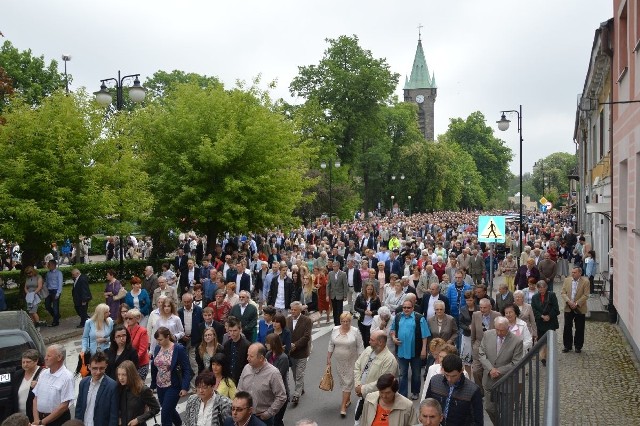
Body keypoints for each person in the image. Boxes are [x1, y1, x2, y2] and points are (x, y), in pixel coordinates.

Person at [478, 317, 524, 425]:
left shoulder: (517, 341)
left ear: (508, 328)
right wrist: (490, 369)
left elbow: (516, 362)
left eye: (502, 330)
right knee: (489, 408)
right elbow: (481, 353)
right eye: (497, 329)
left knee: (506, 413)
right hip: (489, 380)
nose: (499, 332)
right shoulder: (487, 335)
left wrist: (498, 371)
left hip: (507, 382)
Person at [353, 330, 398, 426]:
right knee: (359, 421)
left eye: (371, 340)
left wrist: (363, 389)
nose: (369, 342)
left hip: (377, 401)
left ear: (380, 342)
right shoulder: (368, 350)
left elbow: (384, 383)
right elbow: (357, 365)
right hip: (363, 396)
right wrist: (357, 384)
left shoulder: (389, 360)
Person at [424, 354, 483, 425]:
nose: (449, 379)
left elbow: (477, 421)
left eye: (454, 376)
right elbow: (427, 406)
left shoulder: (473, 390)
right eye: (446, 375)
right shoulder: (434, 381)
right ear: (442, 369)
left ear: (461, 370)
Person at [237, 343, 287, 426]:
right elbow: (239, 389)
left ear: (261, 358)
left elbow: (281, 396)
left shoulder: (273, 373)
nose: (247, 358)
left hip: (262, 418)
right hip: (245, 416)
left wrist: (268, 413)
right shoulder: (246, 368)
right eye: (247, 355)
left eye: (251, 356)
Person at [151, 327, 192, 426]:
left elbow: (187, 369)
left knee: (165, 414)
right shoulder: (157, 348)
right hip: (160, 386)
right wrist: (152, 385)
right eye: (157, 340)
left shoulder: (178, 349)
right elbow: (154, 368)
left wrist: (185, 387)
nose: (158, 342)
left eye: (160, 339)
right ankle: (179, 423)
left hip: (173, 385)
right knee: (169, 409)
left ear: (168, 337)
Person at [327, 312, 365, 417]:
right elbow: (331, 344)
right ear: (340, 321)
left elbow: (360, 347)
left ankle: (343, 406)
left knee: (348, 382)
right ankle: (347, 400)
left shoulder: (355, 331)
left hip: (351, 360)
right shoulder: (335, 330)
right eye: (343, 321)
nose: (345, 323)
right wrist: (328, 358)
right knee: (343, 382)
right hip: (339, 361)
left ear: (350, 321)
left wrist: (361, 361)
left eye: (347, 321)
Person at [390, 299, 429, 400]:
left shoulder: (419, 318)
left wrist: (424, 349)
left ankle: (415, 392)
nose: (406, 309)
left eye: (408, 307)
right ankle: (403, 394)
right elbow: (392, 330)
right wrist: (394, 338)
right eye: (404, 307)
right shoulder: (398, 317)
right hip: (401, 351)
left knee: (416, 374)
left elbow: (425, 335)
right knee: (403, 374)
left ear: (413, 308)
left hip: (415, 351)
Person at [32, 344, 75, 426]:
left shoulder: (67, 377)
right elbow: (35, 398)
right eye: (45, 355)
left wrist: (43, 422)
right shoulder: (43, 373)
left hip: (57, 421)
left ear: (59, 357)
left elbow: (64, 406)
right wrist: (36, 420)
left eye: (49, 356)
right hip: (40, 419)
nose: (45, 358)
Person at [75, 351, 118, 426]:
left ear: (106, 366)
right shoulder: (83, 383)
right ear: (89, 367)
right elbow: (79, 408)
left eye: (101, 368)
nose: (98, 372)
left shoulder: (112, 386)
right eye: (95, 368)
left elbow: (113, 415)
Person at [115, 360, 160, 426]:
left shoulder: (143, 390)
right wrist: (119, 417)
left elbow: (156, 408)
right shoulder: (120, 387)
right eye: (119, 374)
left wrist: (138, 419)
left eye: (124, 375)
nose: (121, 378)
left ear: (131, 374)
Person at [286, 301, 313, 407]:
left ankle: (296, 394)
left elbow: (306, 337)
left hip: (301, 352)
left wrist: (295, 345)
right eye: (291, 309)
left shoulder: (307, 320)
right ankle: (301, 388)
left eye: (295, 310)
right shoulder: (287, 320)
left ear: (300, 310)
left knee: (300, 373)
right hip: (291, 353)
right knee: (295, 373)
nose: (292, 311)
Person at [470, 298, 500, 387]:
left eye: (485, 308)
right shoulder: (475, 315)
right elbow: (473, 333)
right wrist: (474, 346)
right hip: (478, 346)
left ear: (490, 307)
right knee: (476, 371)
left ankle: (490, 390)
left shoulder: (497, 315)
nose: (482, 310)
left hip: (492, 347)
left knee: (489, 371)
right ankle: (480, 390)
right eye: (481, 308)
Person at [561, 267, 590, 353]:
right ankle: (567, 345)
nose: (572, 274)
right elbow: (563, 292)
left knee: (580, 327)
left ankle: (578, 346)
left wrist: (576, 303)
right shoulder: (567, 280)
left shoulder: (586, 282)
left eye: (574, 272)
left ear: (580, 273)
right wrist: (569, 302)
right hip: (568, 307)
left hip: (580, 308)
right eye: (572, 272)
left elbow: (586, 295)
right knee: (567, 327)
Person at [531, 280, 560, 365]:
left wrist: (549, 316)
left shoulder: (552, 295)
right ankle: (543, 356)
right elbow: (533, 309)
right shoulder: (535, 297)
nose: (541, 290)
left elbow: (556, 308)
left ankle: (547, 357)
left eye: (543, 288)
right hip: (540, 322)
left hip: (550, 322)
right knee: (541, 340)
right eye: (539, 288)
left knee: (549, 340)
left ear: (546, 288)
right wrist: (541, 316)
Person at [10, 349, 42, 422]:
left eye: (28, 362)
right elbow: (12, 397)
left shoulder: (43, 374)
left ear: (36, 361)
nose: (25, 364)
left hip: (35, 417)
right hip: (20, 417)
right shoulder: (18, 374)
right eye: (23, 362)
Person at [179, 292, 205, 381]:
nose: (186, 304)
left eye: (188, 302)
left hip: (195, 340)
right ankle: (185, 382)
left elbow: (202, 326)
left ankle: (195, 384)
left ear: (192, 301)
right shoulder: (179, 312)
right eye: (184, 302)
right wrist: (182, 336)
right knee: (184, 362)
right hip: (183, 340)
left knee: (193, 362)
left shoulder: (199, 310)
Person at [265, 334, 289, 426]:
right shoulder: (268, 354)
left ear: (273, 343)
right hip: (270, 393)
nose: (265, 344)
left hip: (280, 392)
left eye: (267, 342)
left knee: (277, 420)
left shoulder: (283, 358)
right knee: (274, 420)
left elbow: (278, 376)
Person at [223, 316, 252, 385]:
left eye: (235, 331)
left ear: (240, 330)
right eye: (230, 331)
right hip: (229, 378)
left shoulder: (247, 345)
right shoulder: (227, 344)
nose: (232, 333)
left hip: (242, 378)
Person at [124, 308, 151, 380]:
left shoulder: (143, 331)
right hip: (129, 363)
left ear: (137, 319)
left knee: (138, 387)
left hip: (141, 364)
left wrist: (133, 361)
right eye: (126, 318)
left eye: (130, 318)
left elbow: (142, 350)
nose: (128, 320)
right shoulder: (126, 330)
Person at [354, 282, 381, 348]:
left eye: (371, 289)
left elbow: (379, 309)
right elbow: (356, 307)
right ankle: (365, 351)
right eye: (368, 289)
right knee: (363, 338)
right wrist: (363, 311)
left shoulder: (376, 298)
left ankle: (370, 350)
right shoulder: (360, 296)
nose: (369, 291)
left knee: (369, 338)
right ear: (365, 289)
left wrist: (372, 312)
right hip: (362, 320)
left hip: (372, 321)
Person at [457, 290, 475, 378]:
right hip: (467, 335)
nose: (469, 302)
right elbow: (460, 323)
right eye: (467, 300)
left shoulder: (479, 308)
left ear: (474, 300)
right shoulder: (463, 309)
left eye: (470, 300)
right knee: (466, 359)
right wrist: (468, 327)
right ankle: (468, 378)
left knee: (476, 359)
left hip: (477, 336)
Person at [327, 261, 349, 326]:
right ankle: (336, 324)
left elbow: (345, 285)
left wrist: (345, 296)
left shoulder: (343, 274)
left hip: (340, 294)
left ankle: (340, 323)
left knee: (340, 310)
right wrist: (327, 295)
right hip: (333, 295)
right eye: (333, 266)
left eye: (335, 266)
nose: (333, 267)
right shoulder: (330, 273)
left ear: (338, 266)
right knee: (334, 310)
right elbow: (328, 285)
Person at [44, 260, 63, 327]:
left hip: (55, 291)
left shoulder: (59, 273)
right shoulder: (48, 273)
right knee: (47, 305)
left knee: (55, 307)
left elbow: (60, 283)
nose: (48, 266)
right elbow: (46, 282)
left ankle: (55, 321)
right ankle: (57, 316)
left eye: (49, 264)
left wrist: (58, 293)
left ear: (53, 265)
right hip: (49, 291)